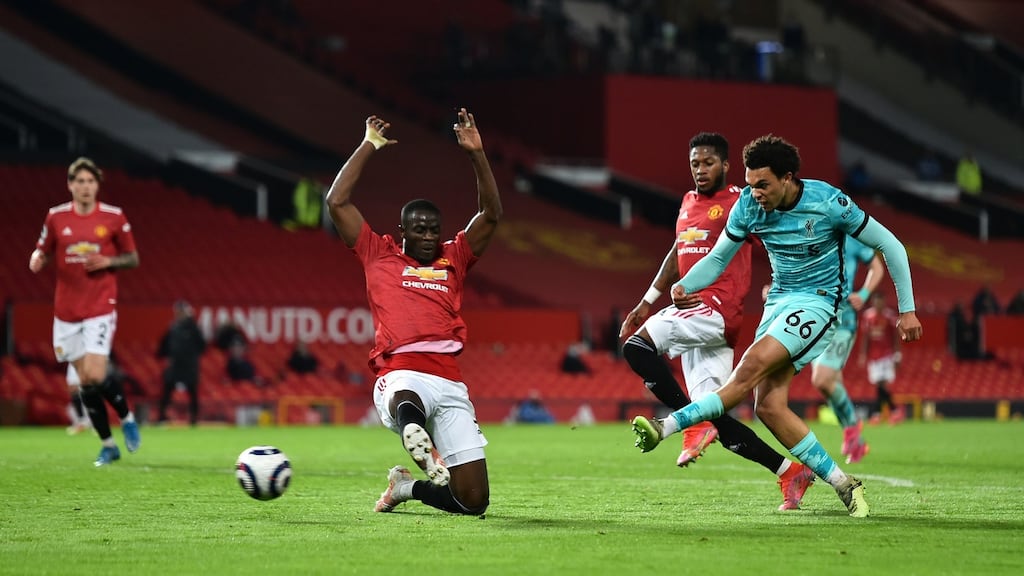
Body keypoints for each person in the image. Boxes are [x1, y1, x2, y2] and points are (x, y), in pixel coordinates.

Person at [631, 135, 923, 518]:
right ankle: (843, 484)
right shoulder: (748, 206)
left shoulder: (828, 202)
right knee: (768, 406)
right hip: (779, 302)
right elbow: (718, 260)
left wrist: (907, 310)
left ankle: (667, 426)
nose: (755, 194)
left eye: (763, 185)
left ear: (788, 178)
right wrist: (685, 284)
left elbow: (892, 246)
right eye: (750, 185)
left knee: (746, 372)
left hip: (819, 302)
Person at [619, 132, 815, 511]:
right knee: (716, 417)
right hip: (696, 320)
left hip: (713, 309)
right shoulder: (688, 202)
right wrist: (647, 301)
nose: (701, 169)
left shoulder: (742, 201)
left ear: (726, 165)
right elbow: (677, 253)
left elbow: (775, 236)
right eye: (695, 163)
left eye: (708, 162)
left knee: (636, 347)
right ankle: (790, 471)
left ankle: (684, 421)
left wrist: (781, 283)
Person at [325, 108, 501, 516]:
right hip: (400, 373)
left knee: (473, 502)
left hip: (451, 382)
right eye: (417, 229)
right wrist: (369, 144)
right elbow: (337, 201)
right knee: (409, 397)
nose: (426, 236)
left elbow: (492, 216)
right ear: (402, 231)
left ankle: (404, 488)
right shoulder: (377, 254)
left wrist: (477, 153)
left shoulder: (453, 257)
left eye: (432, 230)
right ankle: (414, 432)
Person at [29, 157, 142, 466]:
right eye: (79, 181)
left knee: (94, 373)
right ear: (70, 185)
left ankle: (127, 417)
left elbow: (132, 258)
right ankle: (108, 445)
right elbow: (44, 249)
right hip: (66, 310)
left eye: (90, 181)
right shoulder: (55, 217)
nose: (85, 187)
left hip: (100, 305)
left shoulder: (114, 217)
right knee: (84, 382)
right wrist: (38, 258)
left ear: (97, 185)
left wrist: (109, 262)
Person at [808, 238, 884, 464]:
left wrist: (863, 294)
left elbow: (877, 266)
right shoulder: (813, 232)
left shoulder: (852, 238)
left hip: (843, 319)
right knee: (831, 384)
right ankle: (856, 442)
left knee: (821, 379)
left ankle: (852, 428)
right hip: (817, 318)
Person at [157, 300, 206, 426]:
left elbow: (202, 346)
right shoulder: (173, 327)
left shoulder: (193, 327)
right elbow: (164, 345)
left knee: (192, 392)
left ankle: (194, 418)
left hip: (189, 365)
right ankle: (161, 416)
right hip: (176, 365)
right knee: (168, 389)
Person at [859, 293, 904, 424]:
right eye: (876, 302)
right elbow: (865, 337)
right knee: (879, 384)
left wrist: (897, 355)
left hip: (887, 355)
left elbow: (896, 337)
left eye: (880, 302)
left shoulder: (889, 316)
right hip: (874, 355)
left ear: (883, 302)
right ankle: (893, 411)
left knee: (882, 383)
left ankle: (878, 413)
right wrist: (863, 354)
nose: (878, 304)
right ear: (873, 302)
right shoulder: (868, 316)